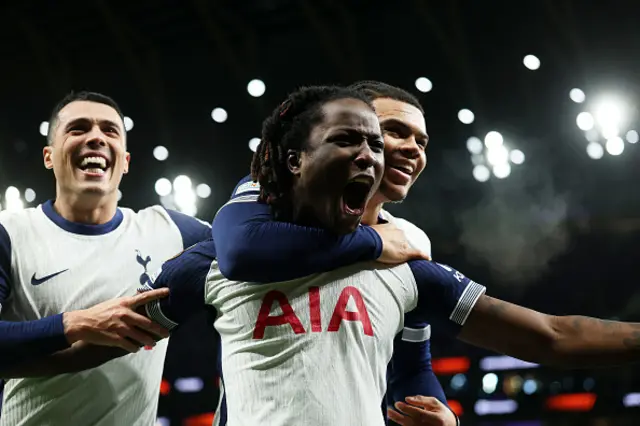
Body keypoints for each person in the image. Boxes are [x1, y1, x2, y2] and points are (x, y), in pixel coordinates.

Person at [212, 81, 456, 425]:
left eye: (421, 140)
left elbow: (412, 363)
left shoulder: (409, 241)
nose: (413, 148)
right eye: (394, 132)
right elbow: (239, 250)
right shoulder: (270, 198)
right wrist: (375, 243)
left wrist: (441, 416)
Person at [0, 91, 212, 426]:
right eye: (78, 129)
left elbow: (245, 241)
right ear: (48, 156)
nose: (96, 137)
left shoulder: (171, 231)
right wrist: (79, 324)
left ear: (125, 161)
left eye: (109, 131)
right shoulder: (9, 233)